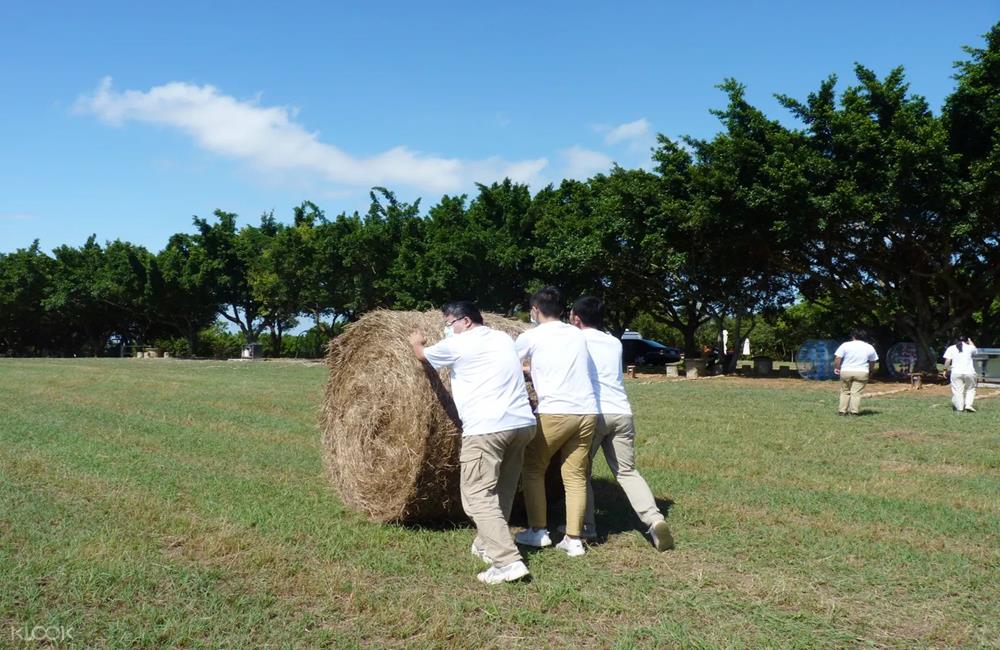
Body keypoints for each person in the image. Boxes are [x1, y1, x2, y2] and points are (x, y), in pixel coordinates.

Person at [409, 301, 537, 584]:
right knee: (501, 491)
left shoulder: (458, 344)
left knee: (476, 496)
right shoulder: (503, 338)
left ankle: (507, 562)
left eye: (448, 323)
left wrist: (417, 341)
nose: (447, 328)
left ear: (465, 321)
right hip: (522, 425)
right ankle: (485, 544)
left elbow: (422, 356)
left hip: (487, 428)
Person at [570, 296, 674, 551]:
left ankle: (587, 526)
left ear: (576, 318)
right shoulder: (614, 342)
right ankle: (654, 519)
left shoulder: (575, 340)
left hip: (594, 414)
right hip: (622, 412)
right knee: (627, 471)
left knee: (580, 472)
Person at [513, 286, 598, 558]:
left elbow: (507, 364)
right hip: (587, 411)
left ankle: (538, 530)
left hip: (555, 411)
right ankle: (574, 538)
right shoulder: (577, 334)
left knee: (533, 467)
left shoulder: (531, 336)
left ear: (536, 310)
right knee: (574, 474)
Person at [832, 330, 879, 416]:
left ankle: (842, 411)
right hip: (862, 371)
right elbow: (873, 361)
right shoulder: (869, 347)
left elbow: (838, 358)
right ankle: (854, 412)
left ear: (853, 336)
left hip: (846, 370)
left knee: (845, 391)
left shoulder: (845, 345)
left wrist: (837, 367)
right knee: (856, 393)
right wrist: (870, 370)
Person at [943, 336, 978, 412]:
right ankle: (968, 405)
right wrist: (970, 341)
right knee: (970, 389)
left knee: (957, 390)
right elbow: (975, 350)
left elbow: (948, 361)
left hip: (956, 372)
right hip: (969, 372)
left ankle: (959, 408)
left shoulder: (951, 348)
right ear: (967, 341)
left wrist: (945, 369)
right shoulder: (970, 347)